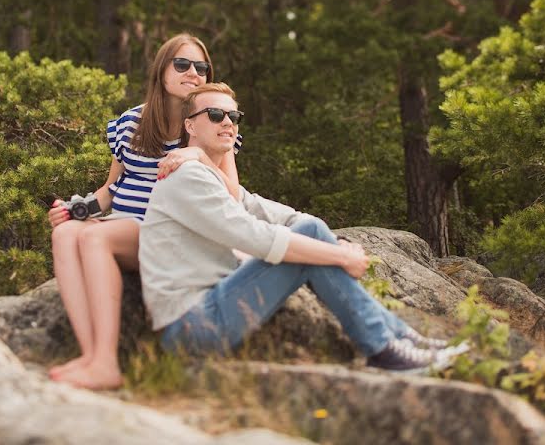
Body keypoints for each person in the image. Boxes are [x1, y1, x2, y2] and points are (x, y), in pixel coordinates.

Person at [139, 83, 469, 372]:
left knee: (308, 226)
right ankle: (385, 347)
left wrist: (333, 244)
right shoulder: (188, 177)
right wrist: (338, 256)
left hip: (211, 310)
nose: (227, 122)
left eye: (234, 117)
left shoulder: (208, 174)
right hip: (191, 325)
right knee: (308, 237)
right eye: (215, 114)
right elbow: (255, 236)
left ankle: (396, 337)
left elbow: (269, 211)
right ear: (189, 125)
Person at [47, 34, 242, 390]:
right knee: (65, 234)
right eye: (182, 64)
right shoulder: (130, 123)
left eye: (202, 67)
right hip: (124, 225)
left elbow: (233, 194)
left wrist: (198, 155)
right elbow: (110, 189)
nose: (193, 73)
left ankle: (107, 362)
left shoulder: (212, 119)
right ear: (161, 71)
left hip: (172, 235)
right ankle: (90, 355)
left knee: (95, 236)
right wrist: (79, 209)